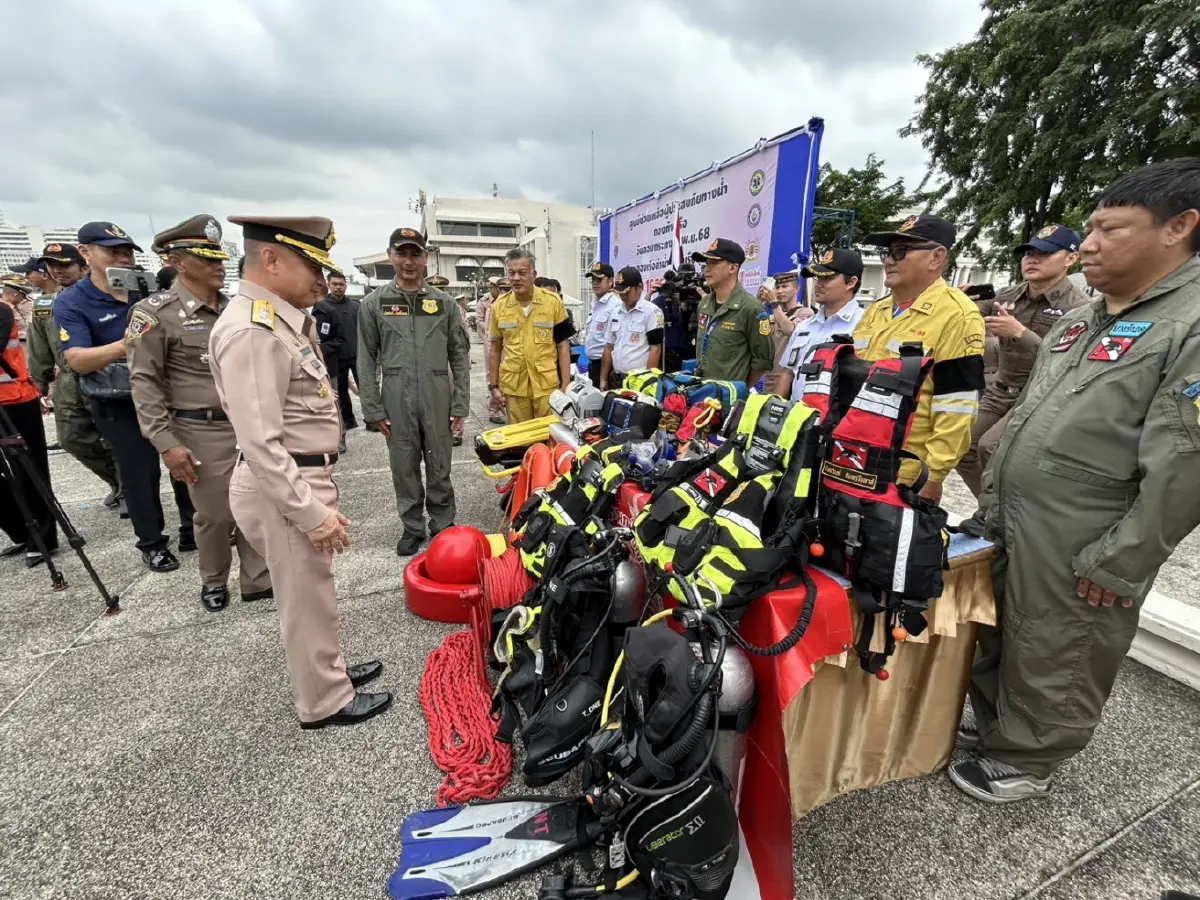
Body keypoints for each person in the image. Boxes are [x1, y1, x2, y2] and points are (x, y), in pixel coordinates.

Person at [952, 158, 1200, 803]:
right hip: (1014, 512)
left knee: (1059, 641)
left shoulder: (1191, 322)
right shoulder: (1086, 317)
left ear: (1180, 227)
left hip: (1087, 527)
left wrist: (1125, 557)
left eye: (1109, 229)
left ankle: (1031, 756)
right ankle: (1001, 728)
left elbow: (1186, 461)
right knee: (1001, 625)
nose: (1086, 244)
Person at [210, 214, 390, 729]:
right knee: (303, 601)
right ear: (270, 258)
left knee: (315, 591)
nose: (321, 278)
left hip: (299, 477)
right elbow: (261, 444)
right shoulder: (252, 330)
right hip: (282, 486)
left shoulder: (278, 319)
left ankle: (327, 673)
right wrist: (310, 513)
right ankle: (323, 702)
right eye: (311, 264)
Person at [126, 215, 272, 612]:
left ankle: (257, 577)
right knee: (215, 513)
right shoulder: (155, 313)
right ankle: (213, 579)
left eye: (219, 258)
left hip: (246, 422)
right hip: (198, 427)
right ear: (177, 262)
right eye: (206, 258)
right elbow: (144, 382)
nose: (218, 266)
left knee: (257, 501)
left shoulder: (235, 309)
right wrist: (165, 443)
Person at [53, 221, 196, 572]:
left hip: (168, 393)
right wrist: (130, 343)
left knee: (185, 462)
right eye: (113, 250)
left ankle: (193, 528)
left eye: (127, 250)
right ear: (86, 253)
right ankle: (152, 543)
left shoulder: (150, 291)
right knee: (138, 473)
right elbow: (77, 359)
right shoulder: (73, 301)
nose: (124, 257)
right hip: (118, 399)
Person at [955, 225, 1091, 530]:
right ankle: (994, 513)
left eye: (1044, 253)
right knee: (962, 445)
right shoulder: (1011, 295)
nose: (1032, 259)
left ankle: (1006, 517)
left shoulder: (1079, 308)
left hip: (1037, 394)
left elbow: (1069, 361)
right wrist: (957, 301)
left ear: (1071, 259)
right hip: (1000, 390)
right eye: (1029, 253)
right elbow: (974, 311)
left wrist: (1022, 334)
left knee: (991, 447)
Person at [855, 215, 986, 504]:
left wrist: (935, 475)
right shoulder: (876, 311)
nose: (889, 260)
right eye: (887, 252)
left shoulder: (958, 316)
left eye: (901, 251)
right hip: (855, 457)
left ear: (936, 257)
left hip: (905, 472)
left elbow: (957, 406)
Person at [357, 228, 470, 557]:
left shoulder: (445, 304)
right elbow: (366, 359)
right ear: (390, 255)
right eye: (402, 253)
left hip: (437, 395)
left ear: (426, 257)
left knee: (440, 463)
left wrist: (460, 403)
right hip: (395, 396)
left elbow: (459, 357)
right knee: (403, 466)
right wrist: (373, 410)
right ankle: (412, 527)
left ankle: (442, 521)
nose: (409, 261)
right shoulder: (374, 304)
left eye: (415, 254)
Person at [25, 243, 122, 510]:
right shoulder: (46, 304)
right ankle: (117, 481)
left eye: (65, 264)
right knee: (71, 438)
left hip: (107, 374)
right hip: (69, 380)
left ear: (84, 265)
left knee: (115, 436)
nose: (57, 271)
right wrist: (38, 384)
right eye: (52, 265)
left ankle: (128, 488)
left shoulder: (104, 295)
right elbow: (38, 348)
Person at [0, 274, 57, 567]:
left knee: (28, 468)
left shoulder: (2, 310)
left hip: (15, 401)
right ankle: (20, 531)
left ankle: (43, 537)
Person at [488, 248, 574, 423]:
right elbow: (495, 349)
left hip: (547, 387)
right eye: (511, 273)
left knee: (549, 436)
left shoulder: (553, 302)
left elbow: (563, 346)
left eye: (522, 273)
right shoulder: (499, 306)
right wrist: (494, 386)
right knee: (519, 442)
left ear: (533, 274)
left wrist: (565, 386)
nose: (516, 278)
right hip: (514, 388)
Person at [776, 249, 866, 400]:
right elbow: (788, 373)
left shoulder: (865, 325)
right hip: (795, 417)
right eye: (818, 279)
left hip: (835, 419)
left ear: (851, 282)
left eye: (827, 278)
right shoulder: (804, 326)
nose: (819, 285)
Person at [692, 239, 774, 385]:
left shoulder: (751, 308)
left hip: (728, 399)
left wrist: (740, 390)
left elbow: (763, 361)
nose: (707, 269)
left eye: (714, 263)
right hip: (701, 392)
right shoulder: (704, 304)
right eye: (706, 263)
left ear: (733, 268)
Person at [313, 271, 360, 437]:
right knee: (341, 391)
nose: (338, 287)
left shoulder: (355, 307)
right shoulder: (322, 307)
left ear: (345, 285)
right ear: (328, 284)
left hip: (356, 353)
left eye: (341, 284)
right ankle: (348, 420)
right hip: (336, 356)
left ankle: (371, 419)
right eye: (335, 284)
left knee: (365, 387)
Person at [600, 267, 663, 389]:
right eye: (620, 292)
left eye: (626, 291)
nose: (623, 296)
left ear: (640, 287)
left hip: (638, 381)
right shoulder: (615, 312)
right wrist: (603, 378)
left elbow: (655, 350)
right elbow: (609, 347)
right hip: (616, 378)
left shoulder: (652, 312)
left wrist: (648, 383)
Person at [757, 270, 813, 392]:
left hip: (788, 377)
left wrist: (774, 304)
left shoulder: (805, 313)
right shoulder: (772, 316)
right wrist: (759, 303)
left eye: (785, 286)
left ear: (796, 288)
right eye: (777, 287)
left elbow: (789, 329)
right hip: (766, 376)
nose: (780, 291)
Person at [583, 262, 618, 389]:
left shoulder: (615, 305)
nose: (595, 283)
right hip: (593, 366)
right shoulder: (597, 304)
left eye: (599, 279)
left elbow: (614, 342)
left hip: (607, 367)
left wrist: (606, 375)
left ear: (610, 281)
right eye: (592, 279)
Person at [479, 277, 505, 423]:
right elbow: (490, 334)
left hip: (506, 350)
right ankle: (494, 410)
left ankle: (500, 409)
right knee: (494, 379)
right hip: (494, 349)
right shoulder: (493, 307)